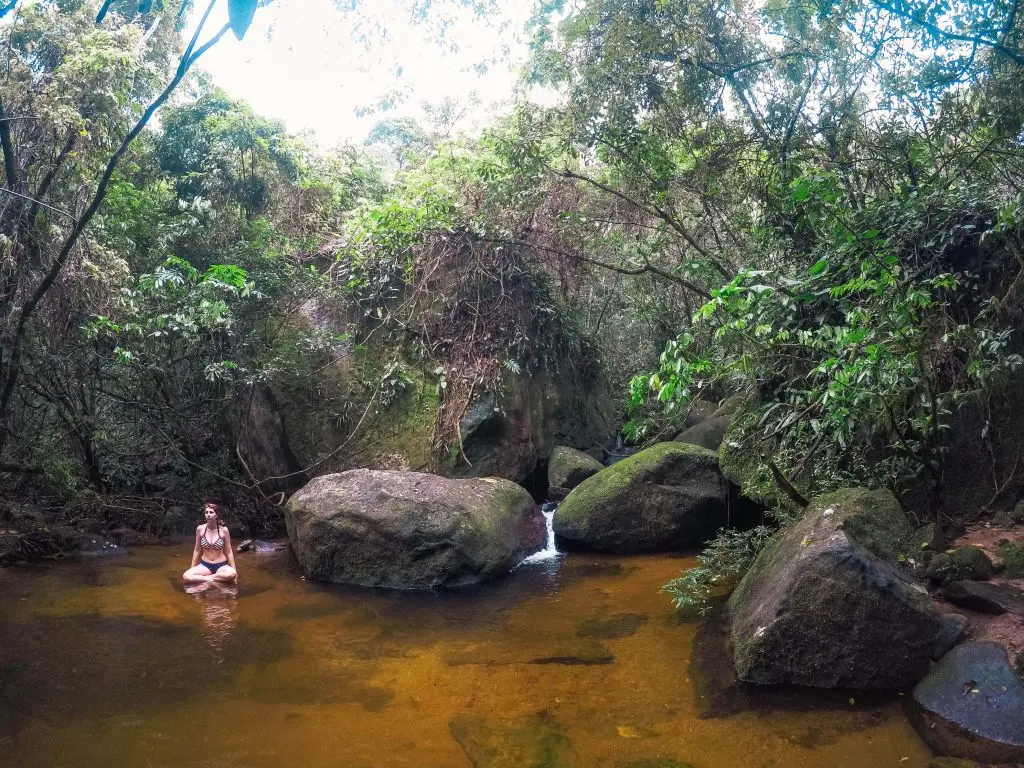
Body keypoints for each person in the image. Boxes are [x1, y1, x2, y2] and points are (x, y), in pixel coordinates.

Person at [182, 502, 238, 584]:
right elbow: (197, 550)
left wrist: (235, 572)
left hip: (221, 565)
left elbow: (229, 552)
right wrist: (192, 569)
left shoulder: (224, 530)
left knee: (232, 574)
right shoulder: (200, 529)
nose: (208, 514)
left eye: (211, 512)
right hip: (205, 565)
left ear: (217, 515)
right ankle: (213, 579)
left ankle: (206, 579)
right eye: (206, 512)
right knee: (186, 576)